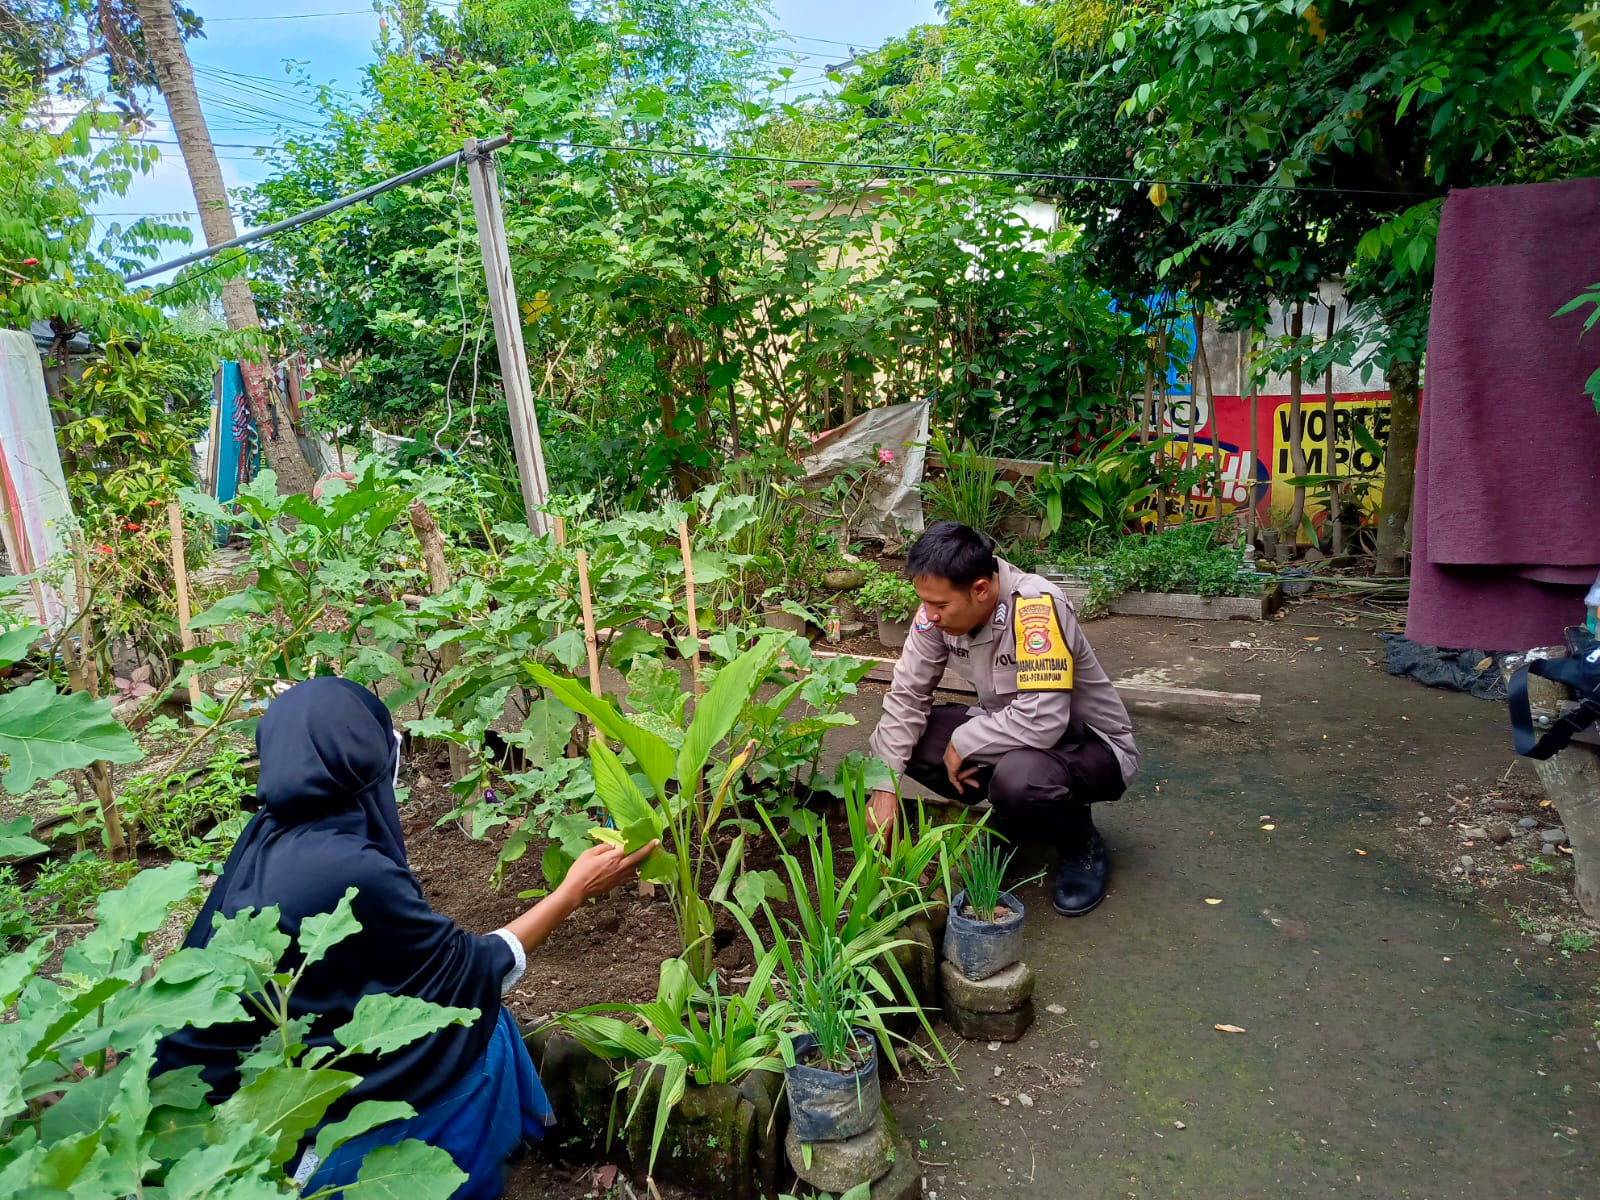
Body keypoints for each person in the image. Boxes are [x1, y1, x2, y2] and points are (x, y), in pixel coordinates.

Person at [154, 676, 652, 1199]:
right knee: (477, 1038)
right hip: (264, 1153)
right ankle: (444, 1177)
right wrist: (572, 892)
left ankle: (531, 1141)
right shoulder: (347, 868)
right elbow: (465, 973)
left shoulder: (270, 834)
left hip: (198, 1125)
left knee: (479, 1017)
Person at [867, 521, 1139, 916]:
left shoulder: (1036, 607)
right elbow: (906, 696)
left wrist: (964, 741)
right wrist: (884, 786)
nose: (929, 615)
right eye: (924, 602)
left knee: (1019, 778)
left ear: (980, 589)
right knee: (914, 742)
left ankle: (1080, 842)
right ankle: (1014, 819)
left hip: (1089, 744)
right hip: (1010, 733)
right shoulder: (936, 613)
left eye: (940, 605)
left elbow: (1044, 719)